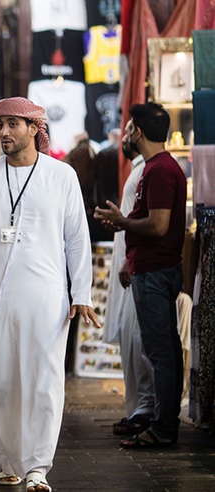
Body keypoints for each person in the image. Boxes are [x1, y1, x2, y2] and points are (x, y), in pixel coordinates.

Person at [0, 97, 99, 492]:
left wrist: (80, 291)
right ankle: (10, 460)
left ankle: (37, 467)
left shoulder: (61, 176)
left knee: (44, 381)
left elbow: (77, 239)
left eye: (13, 124)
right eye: (0, 124)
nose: (4, 132)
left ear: (34, 128)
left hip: (47, 299)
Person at [94, 102, 187, 449]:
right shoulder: (155, 167)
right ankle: (162, 422)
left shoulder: (160, 170)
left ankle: (163, 426)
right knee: (162, 351)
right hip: (150, 267)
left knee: (161, 352)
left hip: (155, 270)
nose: (127, 133)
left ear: (141, 132)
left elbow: (158, 224)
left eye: (131, 127)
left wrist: (122, 223)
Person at [100, 123, 154, 437]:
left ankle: (145, 409)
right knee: (128, 341)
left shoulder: (149, 170)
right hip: (127, 265)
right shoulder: (137, 170)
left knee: (138, 341)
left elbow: (147, 223)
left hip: (135, 267)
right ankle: (136, 407)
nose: (124, 136)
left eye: (131, 129)